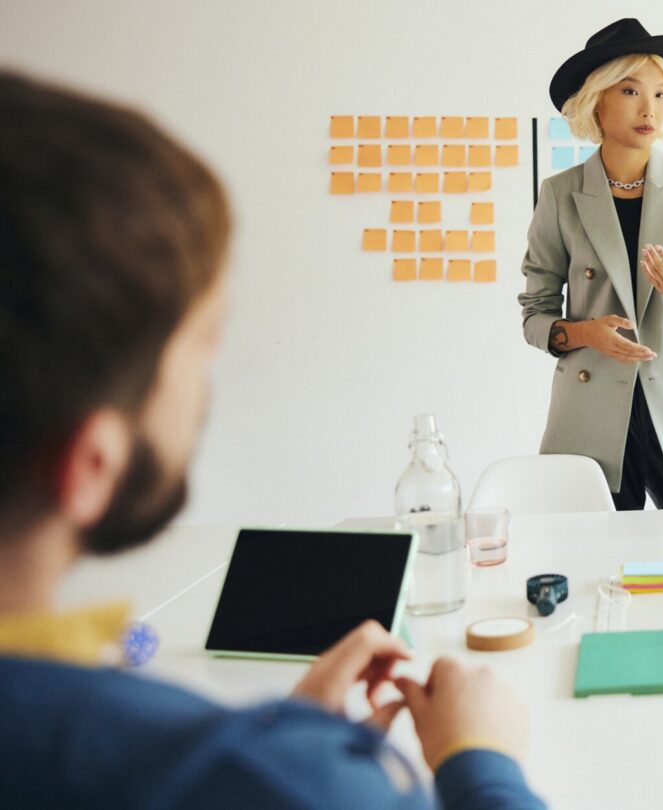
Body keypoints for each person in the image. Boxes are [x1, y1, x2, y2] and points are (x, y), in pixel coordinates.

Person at [0, 71, 544, 809]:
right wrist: (482, 763)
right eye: (200, 341)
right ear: (91, 464)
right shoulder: (288, 782)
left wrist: (293, 732)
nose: (212, 369)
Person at [519, 18, 663, 511]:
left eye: (662, 93)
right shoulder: (560, 195)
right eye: (630, 90)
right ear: (597, 98)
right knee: (588, 562)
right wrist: (585, 335)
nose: (650, 108)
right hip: (593, 415)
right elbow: (534, 313)